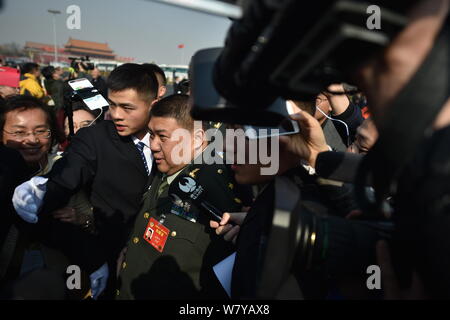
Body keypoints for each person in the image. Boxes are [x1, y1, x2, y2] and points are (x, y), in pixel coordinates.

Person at [12, 63, 160, 299]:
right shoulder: (95, 137)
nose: (117, 114)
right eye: (112, 105)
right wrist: (43, 190)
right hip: (110, 262)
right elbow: (70, 171)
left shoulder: (172, 138)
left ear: (153, 105)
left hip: (161, 265)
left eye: (127, 107)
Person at [117, 94, 248, 299]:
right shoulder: (166, 168)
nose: (153, 145)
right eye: (151, 135)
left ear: (195, 140)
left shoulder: (219, 188)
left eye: (162, 137)